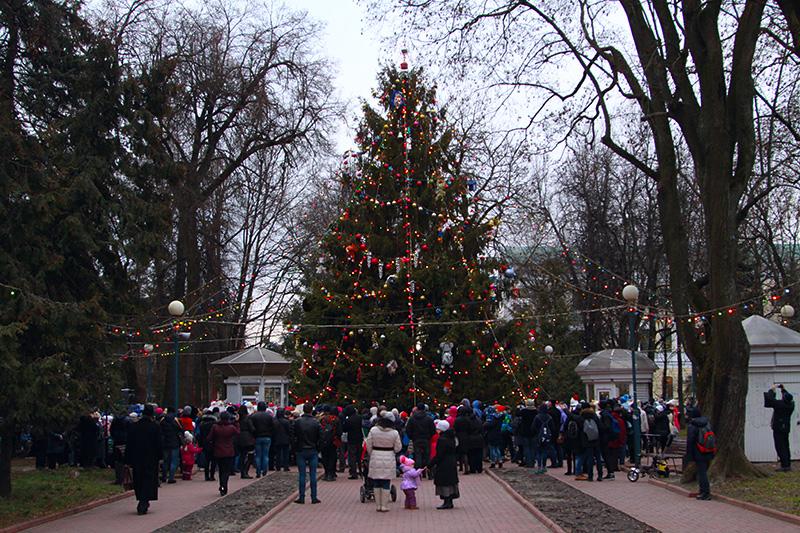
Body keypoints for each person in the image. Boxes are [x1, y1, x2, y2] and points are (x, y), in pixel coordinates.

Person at [125, 404, 162, 515]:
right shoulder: (155, 427)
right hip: (151, 458)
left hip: (137, 458)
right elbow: (159, 443)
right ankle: (144, 501)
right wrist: (160, 457)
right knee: (149, 479)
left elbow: (129, 444)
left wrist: (127, 460)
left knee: (139, 478)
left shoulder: (134, 426)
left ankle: (141, 498)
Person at [366, 411, 402, 512]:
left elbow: (368, 444)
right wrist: (392, 451)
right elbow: (398, 447)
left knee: (376, 481)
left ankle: (378, 505)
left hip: (375, 455)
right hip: (389, 456)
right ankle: (384, 505)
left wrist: (371, 453)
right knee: (386, 481)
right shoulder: (394, 433)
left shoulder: (373, 430)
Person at [293, 403, 322, 504]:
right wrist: (318, 448)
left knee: (302, 475)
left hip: (301, 449)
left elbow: (293, 436)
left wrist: (295, 448)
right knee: (313, 475)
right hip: (312, 449)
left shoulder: (297, 422)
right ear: (311, 410)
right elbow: (320, 437)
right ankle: (314, 497)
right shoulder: (316, 422)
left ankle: (301, 497)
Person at [685, 406, 714, 500]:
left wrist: (689, 456)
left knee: (702, 473)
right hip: (708, 450)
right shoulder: (706, 423)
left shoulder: (692, 425)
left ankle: (705, 492)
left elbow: (690, 441)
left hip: (698, 451)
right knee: (704, 472)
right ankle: (704, 491)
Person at [208, 411, 240, 496]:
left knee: (221, 470)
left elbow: (209, 437)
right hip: (229, 451)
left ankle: (222, 485)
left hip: (218, 451)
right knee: (226, 471)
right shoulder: (231, 427)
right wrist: (236, 422)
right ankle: (224, 486)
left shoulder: (215, 427)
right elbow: (238, 433)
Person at [764, 384, 795, 472]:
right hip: (786, 428)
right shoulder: (791, 405)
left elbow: (770, 400)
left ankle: (784, 466)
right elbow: (787, 397)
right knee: (786, 446)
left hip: (778, 428)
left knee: (780, 446)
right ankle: (787, 464)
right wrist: (783, 389)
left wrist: (772, 390)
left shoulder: (780, 405)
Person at [429, 420, 459, 510]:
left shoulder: (442, 440)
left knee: (444, 482)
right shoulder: (452, 438)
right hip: (452, 462)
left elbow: (439, 455)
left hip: (444, 463)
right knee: (451, 481)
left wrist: (431, 464)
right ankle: (450, 501)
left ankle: (446, 501)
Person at [404, 403, 436, 475]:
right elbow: (433, 430)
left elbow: (408, 430)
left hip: (416, 439)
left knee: (418, 456)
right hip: (426, 439)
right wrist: (429, 436)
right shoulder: (429, 418)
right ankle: (429, 473)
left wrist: (412, 437)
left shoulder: (412, 419)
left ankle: (418, 474)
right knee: (427, 456)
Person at [576, 402, 603, 481]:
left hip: (586, 440)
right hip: (596, 439)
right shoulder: (594, 416)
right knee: (598, 458)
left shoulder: (581, 417)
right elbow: (600, 426)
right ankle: (600, 475)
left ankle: (590, 476)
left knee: (590, 459)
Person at [249, 401, 275, 478]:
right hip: (267, 436)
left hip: (257, 436)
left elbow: (251, 427)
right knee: (265, 455)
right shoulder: (269, 416)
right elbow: (273, 426)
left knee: (258, 455)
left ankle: (258, 471)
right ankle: (264, 470)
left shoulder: (253, 416)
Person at [159, 407, 183, 484]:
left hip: (165, 443)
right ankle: (171, 478)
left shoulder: (162, 420)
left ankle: (164, 477)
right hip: (174, 442)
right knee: (174, 461)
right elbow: (181, 429)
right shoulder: (176, 420)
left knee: (165, 461)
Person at [319, 405, 342, 481]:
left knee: (325, 457)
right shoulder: (336, 419)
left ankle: (326, 473)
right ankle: (331, 474)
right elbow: (339, 432)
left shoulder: (323, 419)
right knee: (332, 457)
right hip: (333, 441)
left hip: (323, 441)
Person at [531, 404, 554, 474]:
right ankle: (544, 467)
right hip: (547, 436)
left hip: (538, 436)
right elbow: (553, 427)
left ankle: (539, 467)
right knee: (545, 452)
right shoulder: (549, 417)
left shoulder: (537, 417)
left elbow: (533, 427)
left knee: (538, 452)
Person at [343, 405, 364, 479]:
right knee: (359, 455)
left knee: (352, 456)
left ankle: (353, 472)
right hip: (359, 438)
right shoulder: (359, 418)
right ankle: (360, 471)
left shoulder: (348, 420)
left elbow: (344, 429)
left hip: (351, 439)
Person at [197, 409, 217, 481]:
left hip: (205, 443)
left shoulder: (202, 424)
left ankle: (206, 475)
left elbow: (199, 435)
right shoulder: (214, 424)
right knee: (214, 460)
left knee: (207, 460)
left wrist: (200, 443)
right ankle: (212, 475)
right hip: (214, 443)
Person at [236, 404, 255, 479]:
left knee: (242, 455)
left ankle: (242, 471)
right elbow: (252, 428)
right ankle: (245, 471)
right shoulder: (247, 419)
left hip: (239, 438)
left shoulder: (238, 419)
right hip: (247, 438)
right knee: (250, 456)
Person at [517, 399, 538, 467]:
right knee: (533, 448)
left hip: (525, 431)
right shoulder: (536, 411)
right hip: (534, 431)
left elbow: (517, 414)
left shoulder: (524, 411)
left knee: (526, 448)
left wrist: (518, 408)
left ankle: (528, 462)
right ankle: (532, 462)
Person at [273, 408, 292, 472]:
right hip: (285, 439)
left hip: (277, 439)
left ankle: (278, 466)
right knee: (286, 454)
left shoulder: (275, 421)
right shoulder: (286, 421)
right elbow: (289, 431)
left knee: (278, 454)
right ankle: (285, 466)